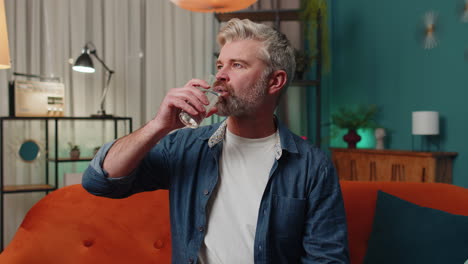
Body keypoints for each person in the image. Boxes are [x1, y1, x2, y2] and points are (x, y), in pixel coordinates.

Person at [82, 18, 349, 264]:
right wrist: (158, 126)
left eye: (237, 65)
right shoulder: (183, 147)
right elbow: (99, 181)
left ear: (274, 81)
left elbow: (326, 259)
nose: (221, 75)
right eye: (220, 65)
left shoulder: (313, 166)